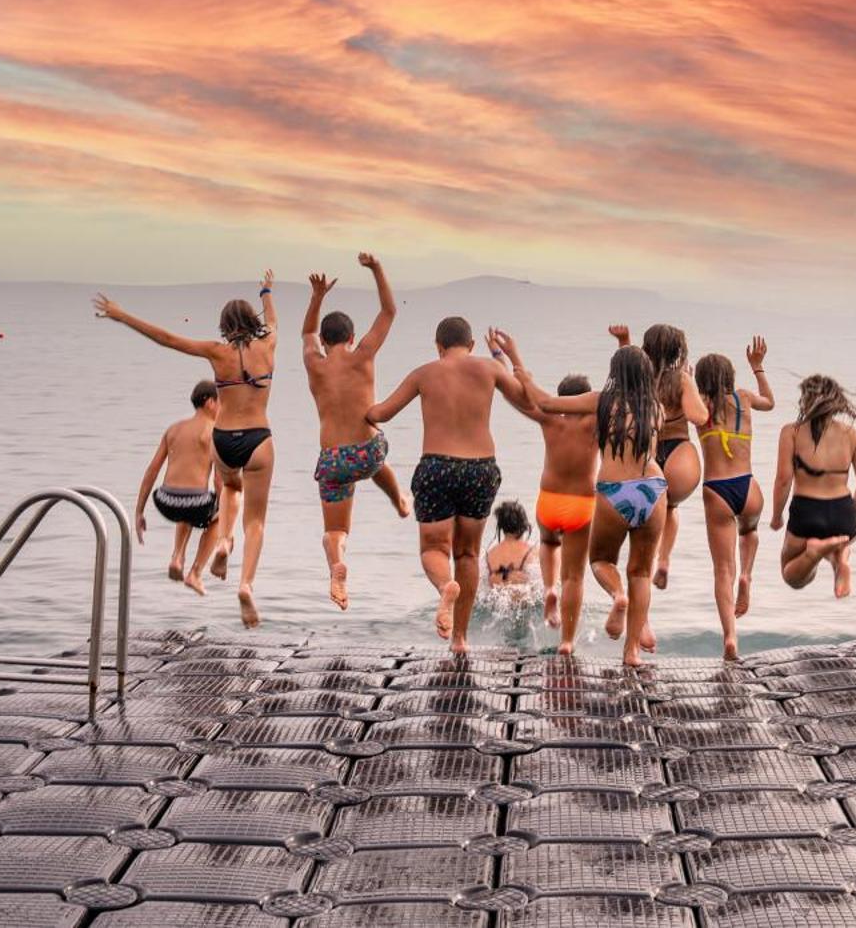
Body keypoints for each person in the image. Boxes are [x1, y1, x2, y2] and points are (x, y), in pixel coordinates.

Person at [95, 270, 278, 627]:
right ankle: (245, 584)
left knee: (230, 488)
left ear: (225, 325)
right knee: (255, 522)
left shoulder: (216, 352)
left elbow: (167, 339)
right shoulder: (269, 343)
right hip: (259, 437)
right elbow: (272, 318)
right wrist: (266, 291)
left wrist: (123, 316)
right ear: (252, 322)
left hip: (224, 438)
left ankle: (224, 540)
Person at [366, 315, 530, 653]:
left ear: (438, 346)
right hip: (480, 469)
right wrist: (505, 358)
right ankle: (460, 639)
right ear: (470, 346)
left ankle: (445, 587)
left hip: (437, 466)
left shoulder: (424, 373)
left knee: (433, 550)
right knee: (467, 554)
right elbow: (526, 399)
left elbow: (381, 414)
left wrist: (356, 408)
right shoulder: (488, 368)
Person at [508, 334, 663, 666]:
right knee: (642, 573)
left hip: (614, 490)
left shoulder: (601, 401)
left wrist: (520, 370)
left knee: (601, 562)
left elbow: (546, 403)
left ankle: (617, 595)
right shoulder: (656, 406)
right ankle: (632, 651)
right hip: (653, 490)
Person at [302, 254, 411, 610]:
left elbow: (306, 333)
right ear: (351, 336)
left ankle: (336, 566)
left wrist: (317, 296)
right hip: (368, 450)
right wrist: (377, 269)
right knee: (377, 456)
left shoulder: (314, 363)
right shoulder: (363, 353)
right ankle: (399, 502)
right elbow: (389, 312)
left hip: (334, 460)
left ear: (324, 340)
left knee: (335, 533)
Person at [501, 366, 599, 649]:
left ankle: (548, 589)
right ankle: (567, 641)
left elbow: (518, 399)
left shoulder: (548, 417)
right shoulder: (594, 422)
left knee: (548, 542)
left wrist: (504, 361)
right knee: (575, 577)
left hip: (549, 500)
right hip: (581, 503)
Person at [611, 323, 708, 591]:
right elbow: (699, 416)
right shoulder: (681, 379)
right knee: (671, 506)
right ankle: (664, 560)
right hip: (678, 451)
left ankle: (647, 562)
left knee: (646, 519)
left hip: (647, 455)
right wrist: (691, 383)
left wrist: (623, 341)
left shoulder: (639, 377)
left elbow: (625, 369)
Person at [694, 338, 775, 659]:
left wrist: (684, 381)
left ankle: (730, 636)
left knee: (721, 572)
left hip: (718, 492)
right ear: (730, 376)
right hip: (749, 486)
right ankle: (748, 573)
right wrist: (757, 367)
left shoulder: (701, 406)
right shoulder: (743, 398)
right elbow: (769, 401)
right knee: (750, 531)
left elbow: (676, 411)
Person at [771, 375, 856, 598]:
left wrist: (776, 517)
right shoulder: (852, 435)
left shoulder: (792, 432)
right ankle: (841, 559)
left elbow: (783, 480)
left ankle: (813, 554)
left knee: (791, 575)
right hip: (843, 513)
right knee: (839, 539)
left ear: (805, 401)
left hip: (807, 512)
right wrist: (853, 510)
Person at [133, 378, 223, 595]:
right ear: (210, 402)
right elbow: (219, 481)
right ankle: (195, 573)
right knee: (217, 519)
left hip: (165, 500)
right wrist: (223, 513)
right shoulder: (214, 432)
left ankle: (177, 557)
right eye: (221, 403)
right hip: (194, 501)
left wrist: (139, 511)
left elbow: (152, 471)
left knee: (187, 510)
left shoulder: (173, 430)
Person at [483, 499, 538, 593]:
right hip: (523, 600)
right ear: (524, 525)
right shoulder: (531, 551)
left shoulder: (489, 555)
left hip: (496, 600)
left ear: (500, 527)